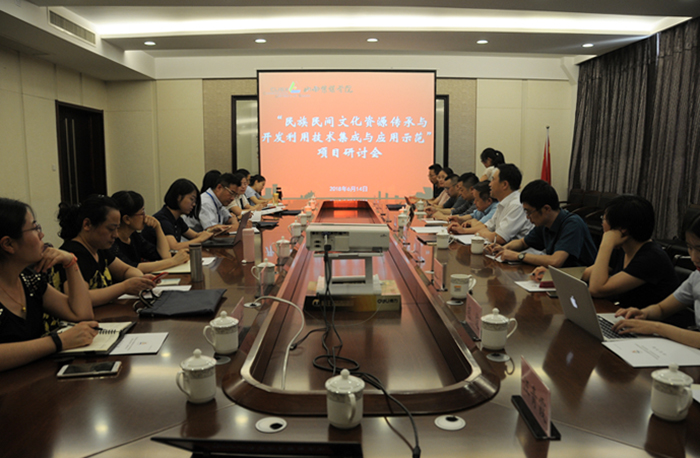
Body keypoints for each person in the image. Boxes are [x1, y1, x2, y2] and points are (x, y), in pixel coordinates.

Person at [0, 198, 98, 372]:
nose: (42, 235)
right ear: (8, 244)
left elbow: (81, 314)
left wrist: (70, 262)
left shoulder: (29, 280)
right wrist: (58, 341)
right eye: (35, 228)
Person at [52, 195, 157, 307]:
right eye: (111, 229)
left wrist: (140, 280)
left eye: (117, 228)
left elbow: (125, 270)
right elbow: (79, 298)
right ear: (87, 225)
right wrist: (124, 287)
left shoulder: (99, 248)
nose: (115, 235)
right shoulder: (74, 253)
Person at [613, 213, 700, 347]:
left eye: (699, 249)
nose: (694, 257)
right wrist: (643, 313)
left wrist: (656, 328)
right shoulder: (696, 277)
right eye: (689, 247)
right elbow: (662, 309)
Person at [583, 195, 678, 309]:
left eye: (604, 219)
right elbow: (586, 274)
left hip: (648, 319)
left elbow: (596, 289)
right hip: (624, 314)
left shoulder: (651, 258)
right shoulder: (622, 248)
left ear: (622, 229)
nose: (602, 223)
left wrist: (606, 245)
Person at [485, 180, 597, 268]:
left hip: (581, 281)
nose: (527, 217)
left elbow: (555, 261)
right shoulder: (545, 224)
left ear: (546, 209)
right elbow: (523, 243)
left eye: (529, 212)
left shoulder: (572, 224)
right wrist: (503, 248)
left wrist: (519, 256)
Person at [111, 191, 189, 273]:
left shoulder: (134, 236)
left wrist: (158, 227)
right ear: (127, 219)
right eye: (142, 213)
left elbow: (165, 256)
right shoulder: (112, 242)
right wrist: (174, 261)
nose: (145, 217)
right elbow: (132, 267)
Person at [149, 178, 221, 251]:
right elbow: (173, 247)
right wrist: (201, 239)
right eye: (191, 199)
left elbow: (195, 236)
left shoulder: (177, 219)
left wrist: (211, 232)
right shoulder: (163, 219)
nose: (194, 204)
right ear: (179, 197)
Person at [473, 164, 533, 244]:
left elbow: (499, 238)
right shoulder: (503, 203)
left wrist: (482, 233)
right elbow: (488, 226)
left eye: (493, 179)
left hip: (518, 250)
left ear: (504, 185)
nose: (489, 184)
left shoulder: (516, 205)